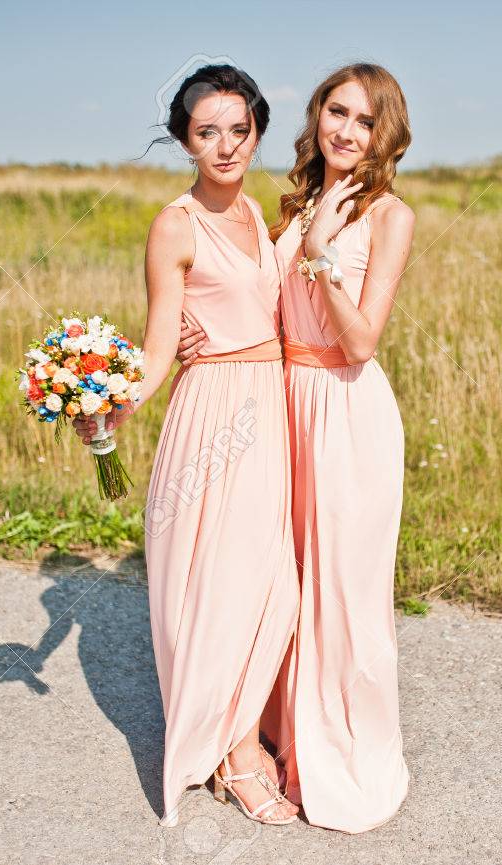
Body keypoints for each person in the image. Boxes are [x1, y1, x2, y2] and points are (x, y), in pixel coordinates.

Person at [177, 62, 416, 833]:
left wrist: (317, 250)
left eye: (365, 120)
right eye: (336, 112)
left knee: (343, 592)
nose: (346, 130)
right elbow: (256, 302)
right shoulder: (296, 203)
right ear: (317, 117)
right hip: (281, 404)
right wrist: (196, 334)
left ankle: (342, 755)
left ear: (385, 132)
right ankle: (274, 736)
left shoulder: (390, 215)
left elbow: (362, 341)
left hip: (345, 411)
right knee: (282, 581)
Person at [76, 64, 300, 827]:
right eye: (208, 131)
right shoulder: (176, 224)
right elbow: (158, 347)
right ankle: (236, 755)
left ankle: (244, 727)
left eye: (239, 129)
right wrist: (110, 408)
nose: (226, 145)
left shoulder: (257, 213)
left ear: (257, 133)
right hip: (214, 417)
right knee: (228, 583)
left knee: (273, 582)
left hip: (269, 409)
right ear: (184, 139)